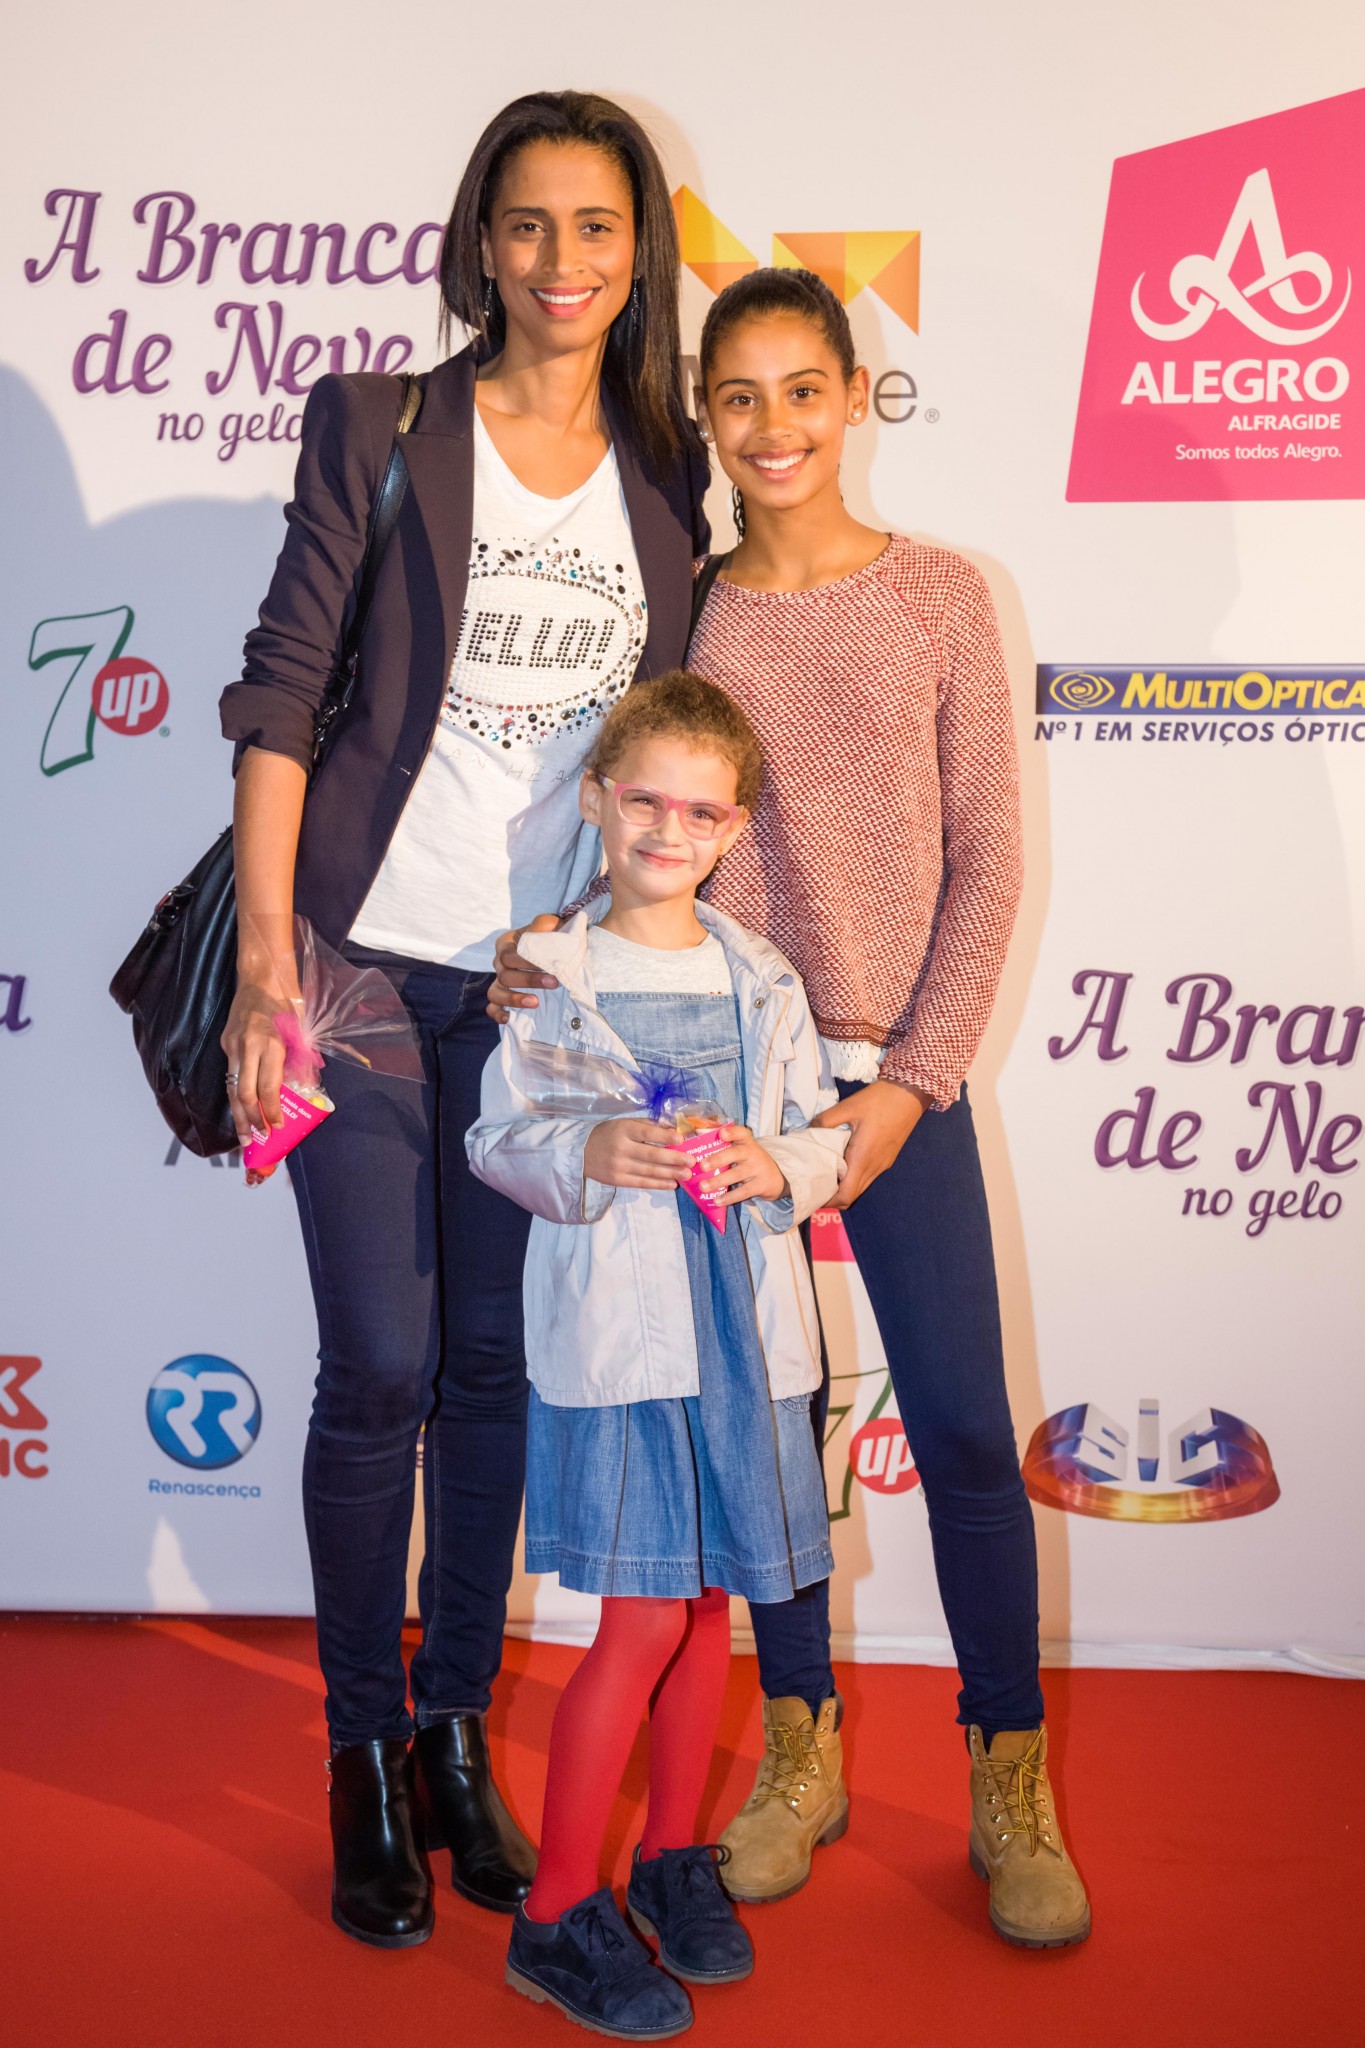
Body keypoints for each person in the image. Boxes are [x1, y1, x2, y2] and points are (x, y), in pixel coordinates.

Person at [489, 267, 1091, 1950]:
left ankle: (1008, 1777)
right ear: (707, 411)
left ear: (851, 397)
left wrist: (906, 1084)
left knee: (960, 1431)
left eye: (800, 390)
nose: (770, 428)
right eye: (736, 396)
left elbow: (987, 866)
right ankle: (800, 1748)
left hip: (890, 1079)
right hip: (711, 1074)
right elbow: (639, 804)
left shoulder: (943, 596)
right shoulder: (687, 602)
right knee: (771, 1433)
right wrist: (546, 944)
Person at [217, 90, 710, 1949]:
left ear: (638, 253)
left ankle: (449, 1736)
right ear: (477, 240)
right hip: (352, 960)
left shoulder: (667, 473)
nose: (558, 262)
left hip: (533, 999)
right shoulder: (382, 423)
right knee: (379, 1366)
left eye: (594, 227)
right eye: (526, 223)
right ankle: (359, 1750)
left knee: (490, 1371)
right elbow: (283, 693)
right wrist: (269, 958)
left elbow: (660, 752)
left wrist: (596, 943)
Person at [467, 672, 847, 2039]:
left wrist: (777, 1162)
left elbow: (821, 1130)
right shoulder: (549, 979)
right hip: (625, 1343)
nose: (668, 830)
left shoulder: (763, 976)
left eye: (701, 812)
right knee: (640, 1618)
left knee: (707, 1612)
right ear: (596, 800)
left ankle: (670, 1856)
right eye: (645, 801)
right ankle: (558, 1908)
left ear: (735, 828)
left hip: (743, 1335)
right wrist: (587, 1152)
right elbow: (496, 1141)